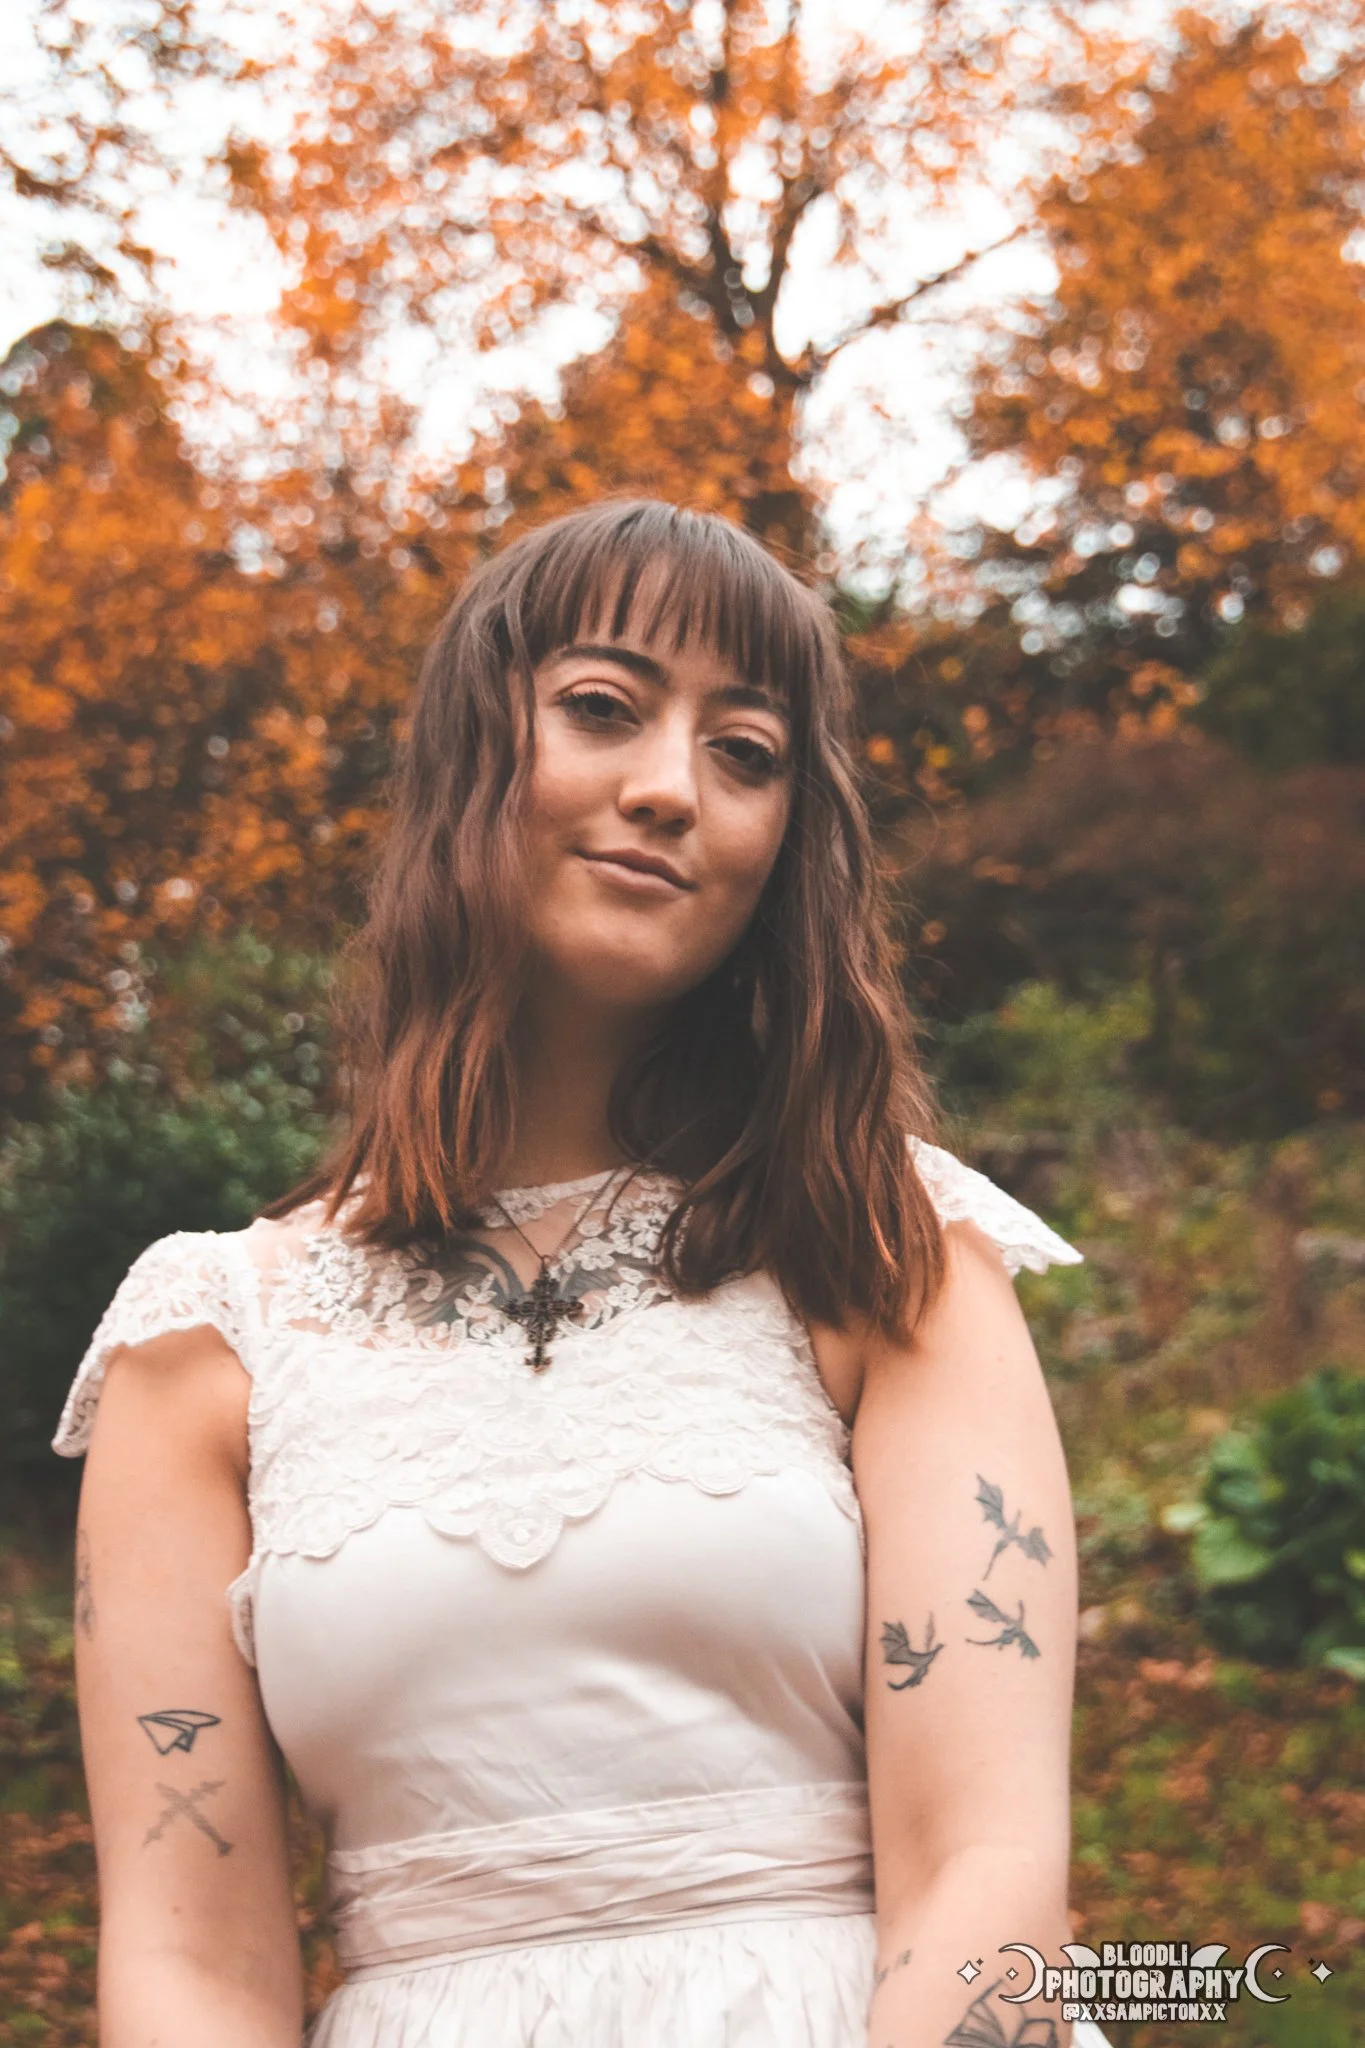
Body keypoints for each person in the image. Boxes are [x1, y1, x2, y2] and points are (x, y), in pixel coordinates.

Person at [54, 498, 1110, 2048]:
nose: (672, 790)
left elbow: (989, 1861)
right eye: (604, 710)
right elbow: (186, 1966)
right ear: (477, 756)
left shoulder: (884, 1249)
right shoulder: (209, 1339)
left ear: (783, 846)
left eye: (745, 752)